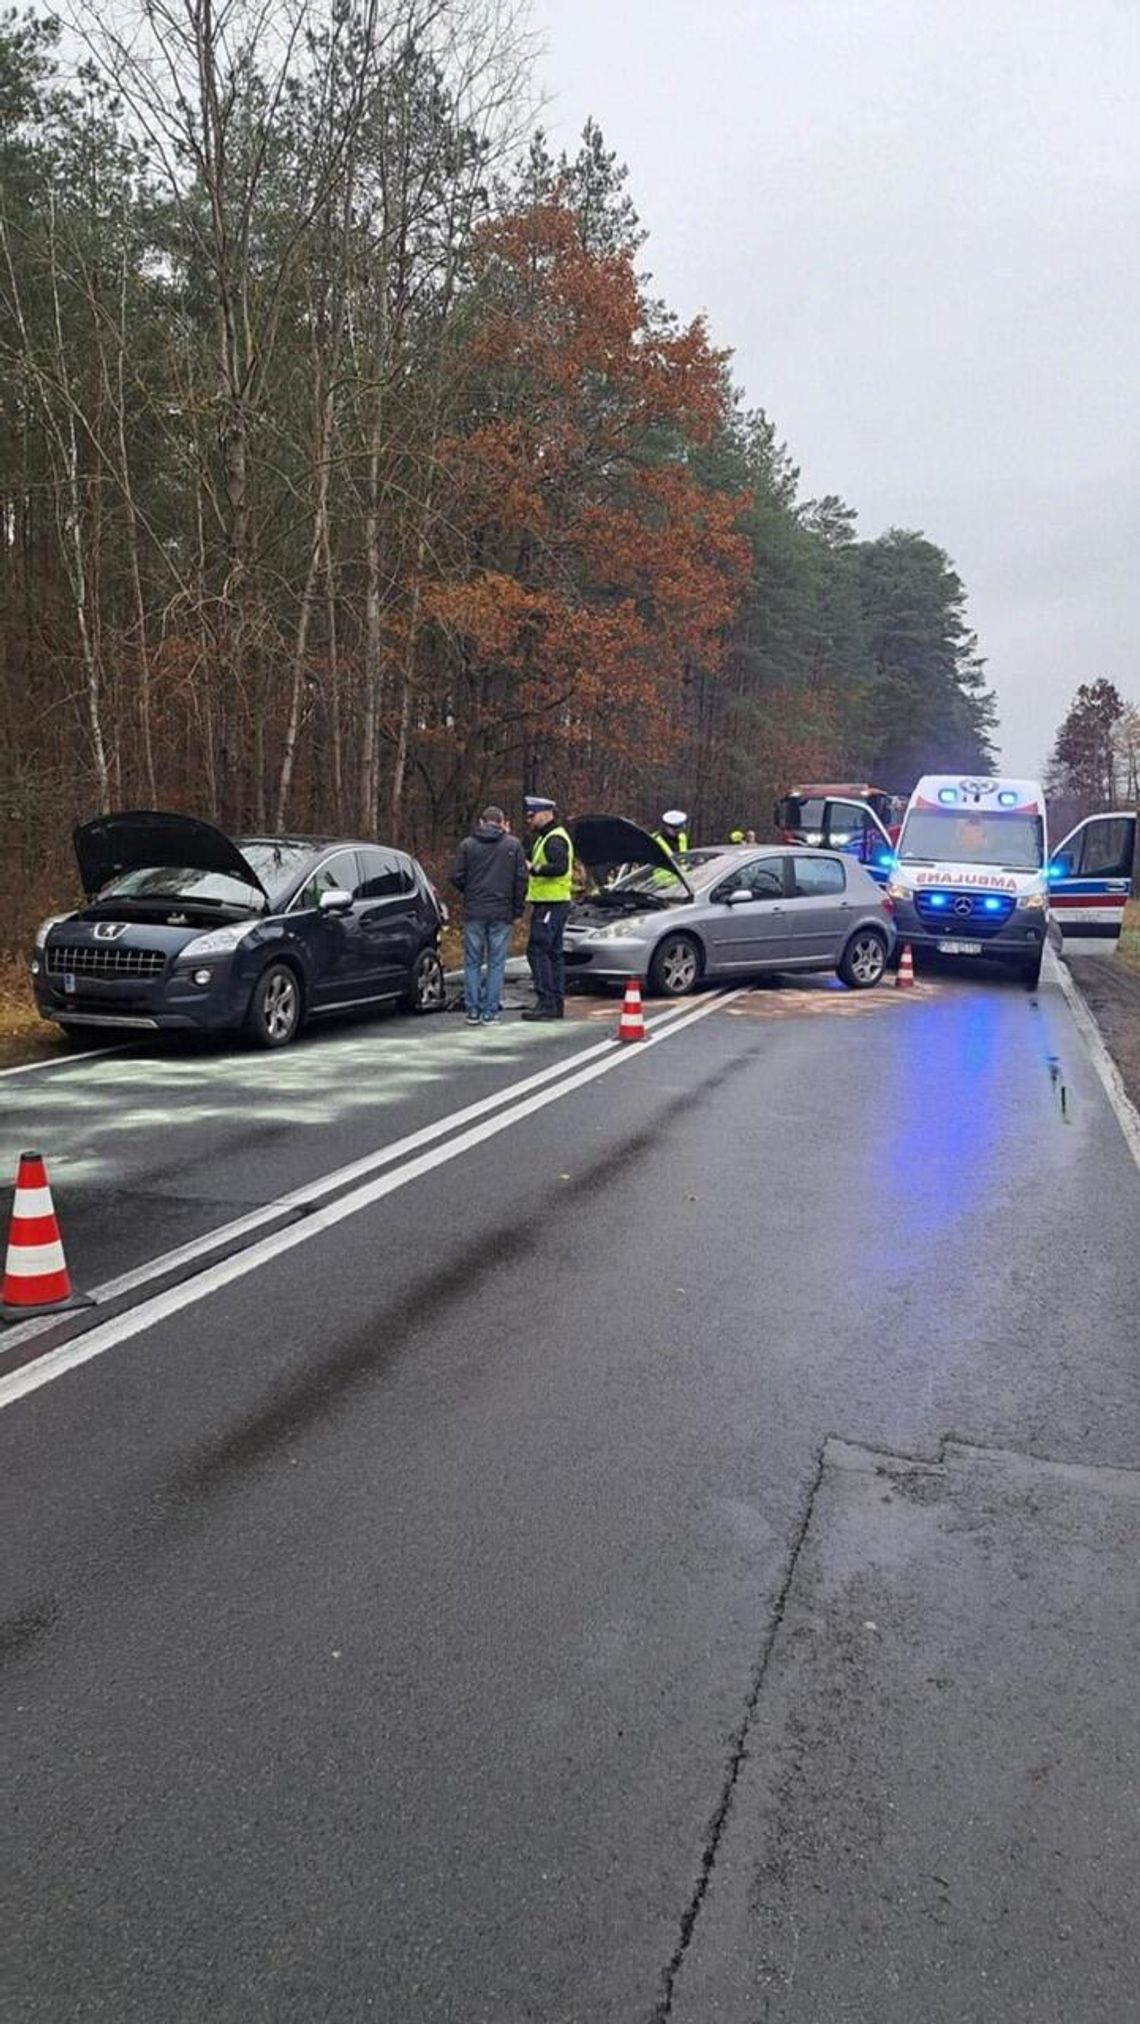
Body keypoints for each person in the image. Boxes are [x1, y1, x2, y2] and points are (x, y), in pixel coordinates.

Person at [449, 805, 528, 1023]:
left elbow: (456, 876)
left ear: (482, 822)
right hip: (502, 911)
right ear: (502, 822)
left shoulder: (467, 845)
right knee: (496, 963)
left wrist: (470, 891)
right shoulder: (513, 846)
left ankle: (472, 1010)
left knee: (473, 962)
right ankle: (490, 1011)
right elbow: (521, 880)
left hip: (475, 909)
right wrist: (517, 908)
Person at [522, 794, 575, 1021]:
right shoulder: (547, 837)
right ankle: (555, 1003)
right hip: (552, 903)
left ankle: (546, 1002)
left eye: (532, 815)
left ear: (545, 813)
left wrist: (534, 869)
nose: (529, 820)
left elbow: (559, 867)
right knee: (552, 953)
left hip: (552, 903)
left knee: (538, 950)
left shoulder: (554, 839)